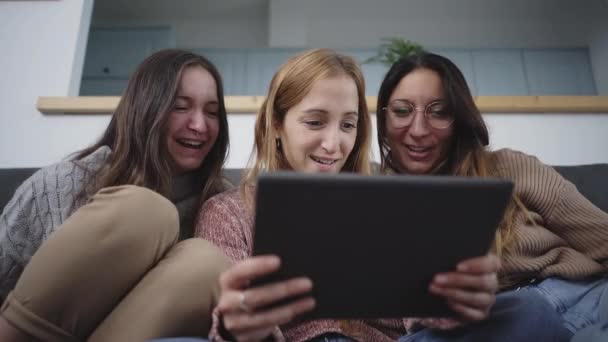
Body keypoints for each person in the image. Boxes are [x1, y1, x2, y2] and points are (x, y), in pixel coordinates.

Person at [194, 48, 503, 342]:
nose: (334, 144)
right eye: (315, 122)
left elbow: (416, 315)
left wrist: (454, 304)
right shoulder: (227, 213)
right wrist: (239, 327)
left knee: (521, 310)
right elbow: (236, 318)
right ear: (276, 124)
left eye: (348, 125)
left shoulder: (389, 206)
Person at [0, 49, 232, 341]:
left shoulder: (221, 207)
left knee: (205, 261)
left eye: (212, 112)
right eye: (180, 107)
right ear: (145, 109)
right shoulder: (59, 183)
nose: (199, 125)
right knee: (145, 211)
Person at [375, 51, 608, 341]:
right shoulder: (373, 202)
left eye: (439, 112)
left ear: (458, 119)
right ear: (384, 119)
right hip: (484, 327)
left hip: (574, 301)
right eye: (402, 111)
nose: (419, 130)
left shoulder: (511, 167)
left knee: (528, 309)